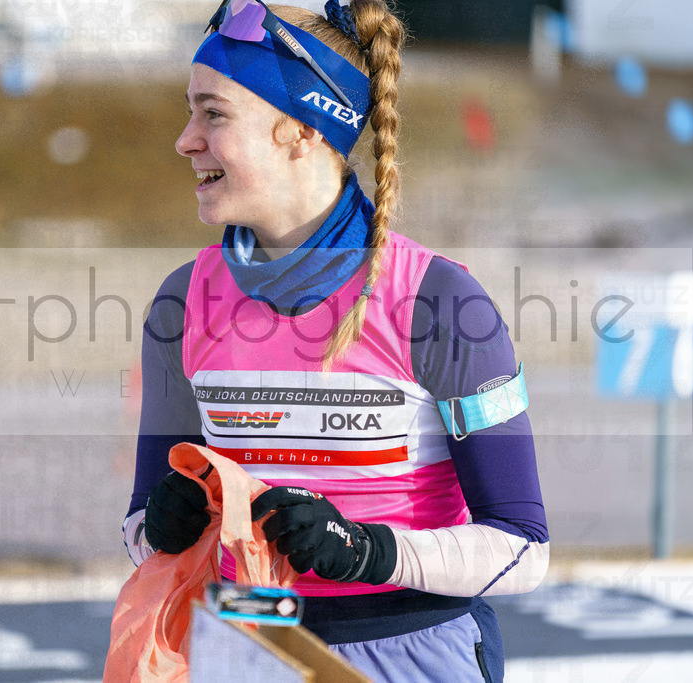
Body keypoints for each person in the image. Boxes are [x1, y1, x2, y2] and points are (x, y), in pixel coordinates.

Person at [121, 1, 549, 680]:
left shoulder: (439, 303)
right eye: (189, 111)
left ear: (301, 128)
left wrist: (370, 551)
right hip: (247, 650)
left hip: (411, 651)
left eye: (214, 113)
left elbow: (524, 549)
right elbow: (140, 527)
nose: (185, 139)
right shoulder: (181, 302)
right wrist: (167, 527)